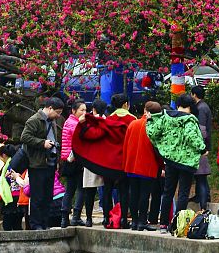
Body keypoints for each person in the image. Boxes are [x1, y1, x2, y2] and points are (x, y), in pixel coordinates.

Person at [147, 94, 207, 230]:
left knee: (168, 192)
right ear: (191, 106)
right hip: (186, 163)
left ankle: (163, 223)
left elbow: (153, 133)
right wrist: (203, 149)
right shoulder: (189, 119)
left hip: (169, 161)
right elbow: (192, 137)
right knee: (183, 193)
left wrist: (150, 122)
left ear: (178, 104)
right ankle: (176, 224)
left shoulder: (165, 117)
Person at [74, 99, 132, 228]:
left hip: (104, 162)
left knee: (105, 190)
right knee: (124, 191)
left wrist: (82, 125)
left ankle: (106, 218)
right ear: (126, 104)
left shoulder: (107, 121)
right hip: (122, 161)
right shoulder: (131, 119)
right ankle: (123, 219)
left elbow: (92, 135)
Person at [20, 97, 65, 230]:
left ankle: (45, 224)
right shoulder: (34, 120)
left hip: (50, 164)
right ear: (49, 108)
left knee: (47, 196)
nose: (58, 115)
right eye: (57, 112)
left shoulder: (53, 121)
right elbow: (25, 137)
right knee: (38, 197)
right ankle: (36, 225)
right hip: (37, 164)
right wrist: (42, 143)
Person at [123, 101, 164, 231]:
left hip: (131, 165)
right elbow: (158, 149)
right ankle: (142, 221)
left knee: (133, 193)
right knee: (145, 194)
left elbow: (126, 145)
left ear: (145, 110)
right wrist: (161, 166)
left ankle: (134, 221)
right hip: (147, 166)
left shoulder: (133, 124)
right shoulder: (155, 126)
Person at [60, 100, 88, 226]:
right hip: (75, 160)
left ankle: (65, 218)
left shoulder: (68, 122)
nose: (84, 112)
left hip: (69, 160)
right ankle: (75, 216)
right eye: (81, 110)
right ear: (74, 111)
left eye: (85, 110)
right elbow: (80, 136)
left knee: (70, 190)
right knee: (80, 189)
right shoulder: (74, 123)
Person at [191, 86, 213, 211]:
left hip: (200, 148)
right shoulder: (204, 107)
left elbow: (202, 130)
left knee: (201, 178)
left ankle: (203, 204)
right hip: (203, 147)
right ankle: (199, 196)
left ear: (194, 95)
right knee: (201, 177)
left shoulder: (201, 108)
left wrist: (201, 146)